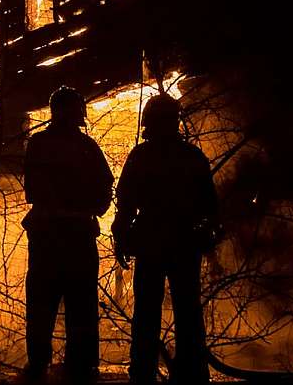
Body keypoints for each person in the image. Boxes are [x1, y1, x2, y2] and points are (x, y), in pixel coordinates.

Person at [112, 93, 219, 384]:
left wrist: (120, 238)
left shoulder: (141, 156)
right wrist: (208, 239)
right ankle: (191, 372)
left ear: (147, 123)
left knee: (147, 311)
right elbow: (210, 207)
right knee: (188, 311)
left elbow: (125, 205)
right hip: (184, 243)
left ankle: (143, 372)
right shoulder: (192, 157)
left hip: (151, 241)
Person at [22, 86, 114, 383]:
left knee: (42, 303)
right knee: (81, 303)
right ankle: (81, 366)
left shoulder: (38, 144)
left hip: (46, 236)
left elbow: (31, 190)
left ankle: (38, 364)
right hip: (76, 236)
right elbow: (105, 189)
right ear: (77, 113)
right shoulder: (87, 147)